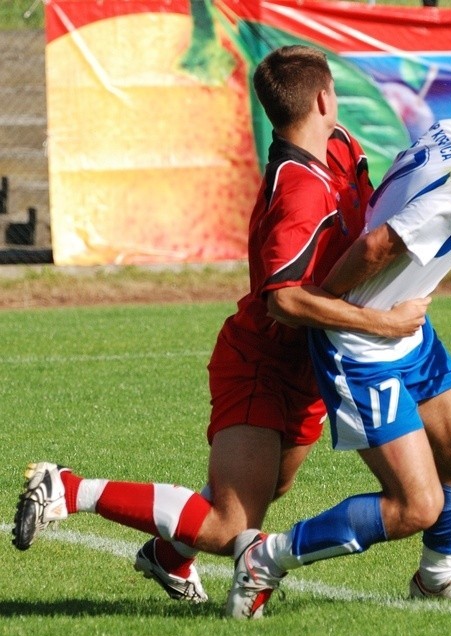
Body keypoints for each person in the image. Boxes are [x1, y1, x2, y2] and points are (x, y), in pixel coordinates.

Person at [11, 46, 429, 604]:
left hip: (309, 363)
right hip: (262, 358)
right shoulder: (299, 190)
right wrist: (379, 321)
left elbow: (375, 222)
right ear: (325, 97)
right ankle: (67, 488)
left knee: (272, 486)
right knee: (232, 525)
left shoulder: (341, 145)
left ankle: (167, 555)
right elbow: (282, 300)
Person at [224, 49, 451, 620]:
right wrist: (334, 304)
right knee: (417, 504)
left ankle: (436, 579)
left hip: (407, 330)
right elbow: (381, 243)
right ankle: (267, 558)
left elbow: (432, 237)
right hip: (365, 344)